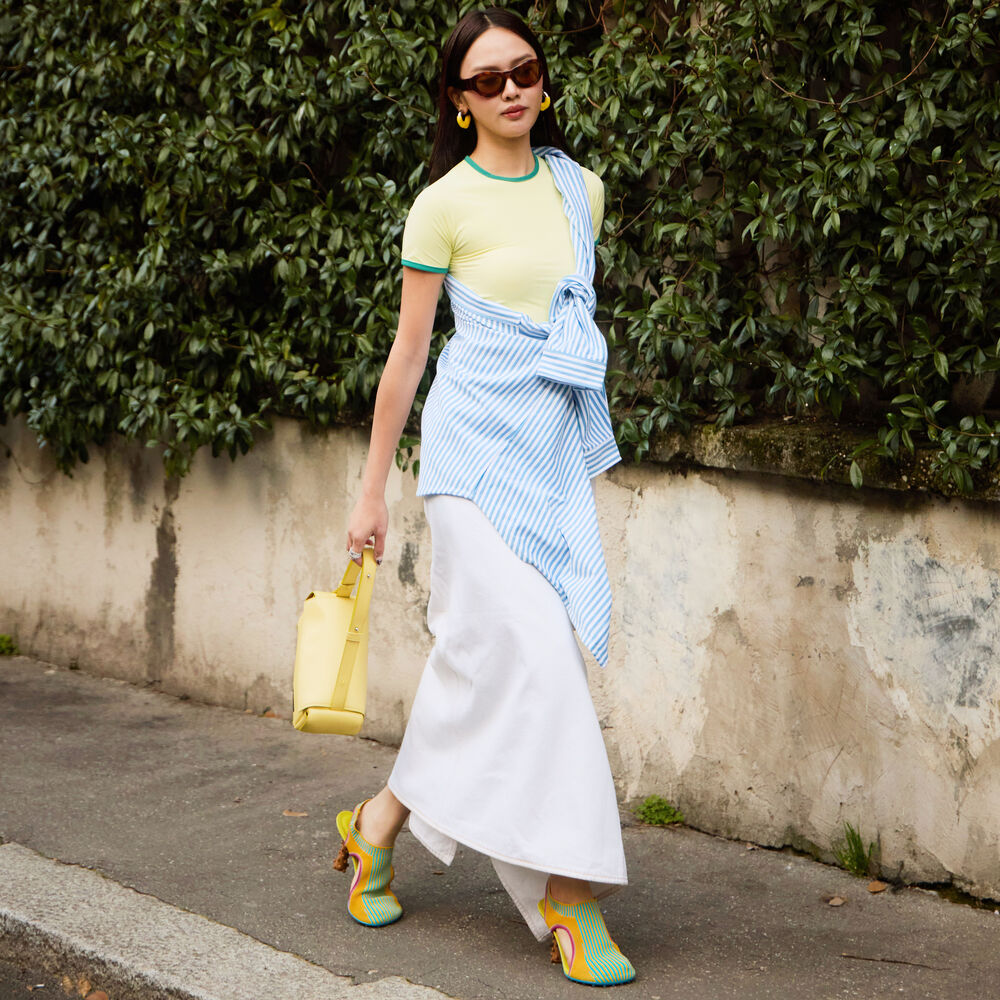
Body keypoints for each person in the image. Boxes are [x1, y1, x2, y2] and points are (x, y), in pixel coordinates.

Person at [339, 7, 635, 987]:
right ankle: (569, 893)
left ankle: (377, 823)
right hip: (469, 457)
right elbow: (408, 355)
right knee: (537, 654)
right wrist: (372, 492)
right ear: (459, 101)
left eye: (525, 71)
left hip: (544, 458)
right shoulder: (442, 205)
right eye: (487, 80)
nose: (512, 89)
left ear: (543, 81)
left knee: (479, 664)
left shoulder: (580, 189)